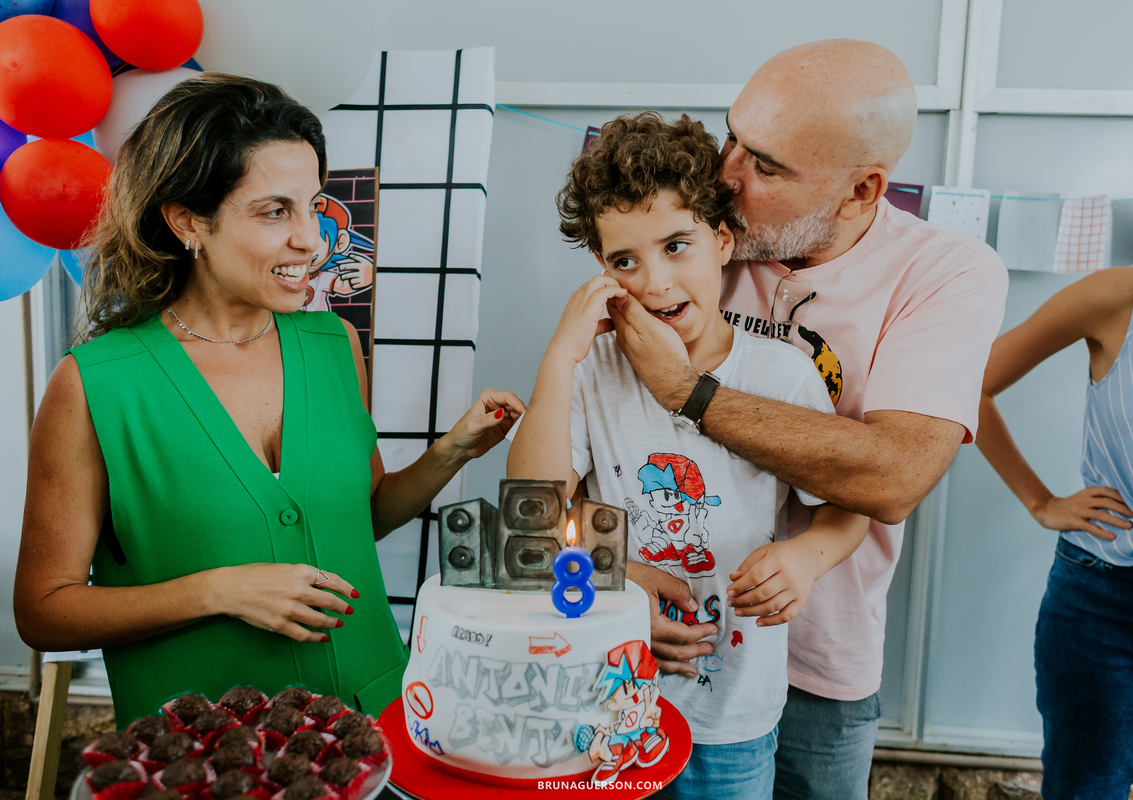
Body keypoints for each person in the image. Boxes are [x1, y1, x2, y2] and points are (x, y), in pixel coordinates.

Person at [13, 74, 523, 726]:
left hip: (372, 726)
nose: (311, 238)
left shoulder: (334, 345)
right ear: (187, 221)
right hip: (205, 750)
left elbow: (361, 518)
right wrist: (219, 590)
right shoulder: (96, 384)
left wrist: (451, 451)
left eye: (313, 205)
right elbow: (44, 610)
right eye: (274, 211)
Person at [601, 41, 1009, 798]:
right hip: (666, 639)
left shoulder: (946, 273)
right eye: (732, 137)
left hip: (819, 660)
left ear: (861, 190)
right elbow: (593, 445)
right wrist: (610, 584)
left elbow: (894, 476)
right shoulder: (691, 235)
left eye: (765, 165)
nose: (725, 174)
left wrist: (691, 393)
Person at [508, 112, 868, 800]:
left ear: (723, 240)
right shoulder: (590, 370)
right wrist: (560, 356)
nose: (656, 282)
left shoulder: (782, 376)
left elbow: (847, 504)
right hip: (599, 702)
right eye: (625, 261)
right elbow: (532, 508)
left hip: (731, 716)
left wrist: (805, 558)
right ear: (602, 271)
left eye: (677, 246)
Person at [975, 165, 1133, 798]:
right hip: (1100, 595)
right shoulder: (1121, 296)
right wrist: (1040, 501)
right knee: (1085, 788)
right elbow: (967, 387)